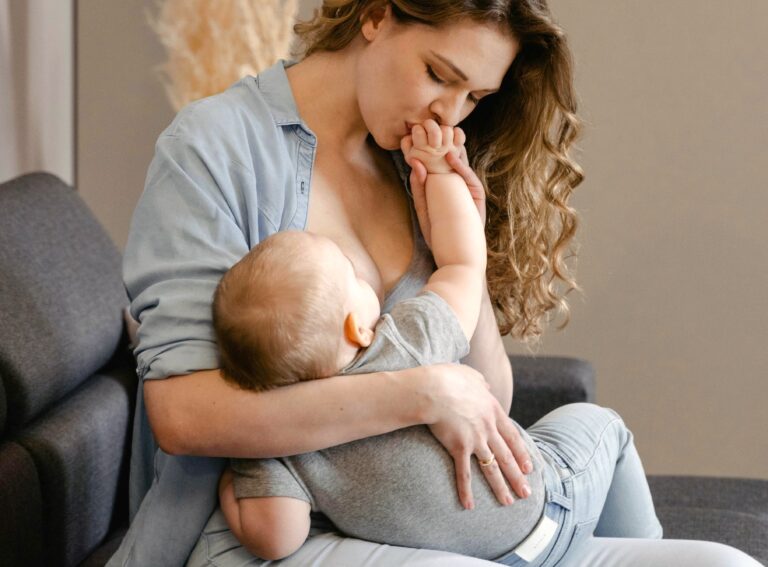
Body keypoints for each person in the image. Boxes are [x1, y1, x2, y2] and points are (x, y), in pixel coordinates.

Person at [109, 1, 762, 566]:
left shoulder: (413, 167)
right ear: (376, 14)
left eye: (474, 96)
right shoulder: (214, 149)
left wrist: (465, 253)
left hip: (447, 526)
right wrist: (418, 391)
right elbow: (185, 413)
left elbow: (489, 399)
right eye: (437, 74)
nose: (450, 112)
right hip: (275, 534)